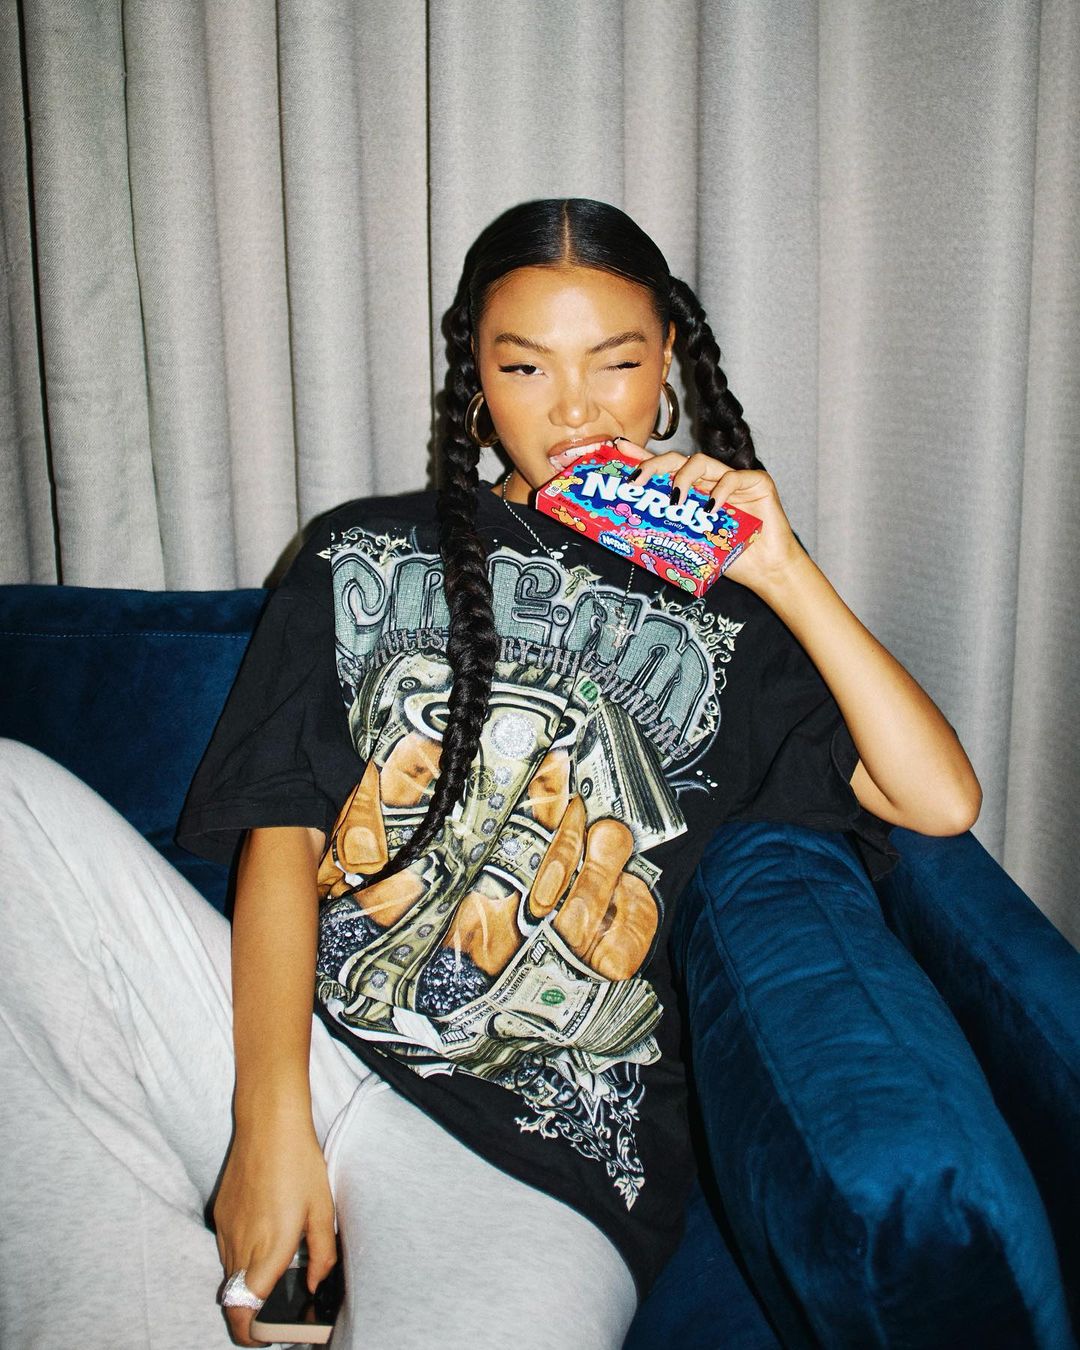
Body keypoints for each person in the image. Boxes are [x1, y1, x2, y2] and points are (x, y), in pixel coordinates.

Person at [0, 198, 980, 1350]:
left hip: (541, 1154)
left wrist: (785, 570)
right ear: (475, 373)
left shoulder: (743, 616)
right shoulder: (359, 549)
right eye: (525, 366)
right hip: (292, 1044)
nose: (573, 408)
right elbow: (283, 831)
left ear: (669, 360)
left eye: (616, 362)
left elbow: (939, 798)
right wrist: (266, 1122)